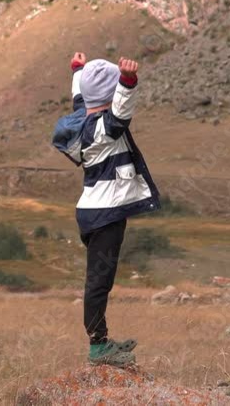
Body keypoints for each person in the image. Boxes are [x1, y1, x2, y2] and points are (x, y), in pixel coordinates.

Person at [67, 51, 161, 366]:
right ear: (109, 94)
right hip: (105, 216)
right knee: (99, 282)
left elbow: (80, 99)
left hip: (93, 212)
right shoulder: (104, 129)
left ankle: (102, 339)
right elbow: (121, 111)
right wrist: (128, 81)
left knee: (100, 279)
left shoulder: (81, 121)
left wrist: (78, 71)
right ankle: (98, 346)